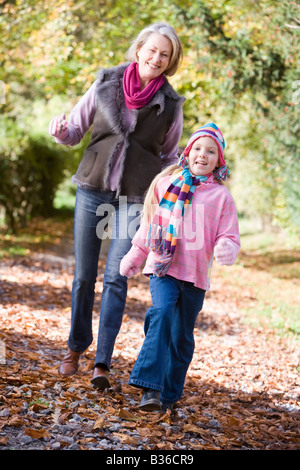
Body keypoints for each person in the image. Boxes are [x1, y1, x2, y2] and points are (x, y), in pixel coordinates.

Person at [48, 23, 185, 389]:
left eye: (165, 54)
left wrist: (168, 193)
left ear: (170, 62)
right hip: (92, 189)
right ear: (138, 48)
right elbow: (74, 132)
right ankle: (76, 348)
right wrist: (60, 130)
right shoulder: (105, 83)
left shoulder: (171, 105)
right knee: (83, 277)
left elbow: (169, 157)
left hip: (134, 199)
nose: (156, 58)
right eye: (152, 50)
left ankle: (102, 363)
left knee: (116, 277)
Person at [120, 122, 240, 411]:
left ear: (218, 161)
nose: (203, 154)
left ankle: (170, 394)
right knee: (160, 313)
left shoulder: (221, 197)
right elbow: (150, 225)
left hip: (195, 276)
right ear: (187, 154)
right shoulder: (166, 185)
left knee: (182, 337)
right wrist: (136, 255)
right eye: (198, 148)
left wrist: (226, 247)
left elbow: (229, 234)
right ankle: (150, 388)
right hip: (163, 267)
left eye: (211, 151)